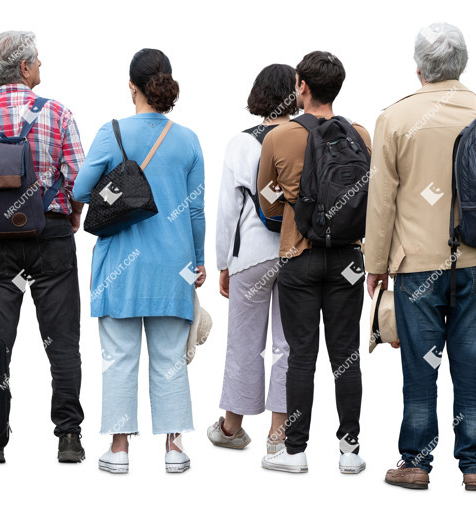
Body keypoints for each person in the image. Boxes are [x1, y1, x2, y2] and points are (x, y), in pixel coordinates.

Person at [365, 23, 476, 491]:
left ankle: (415, 462)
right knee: (475, 364)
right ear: (462, 63)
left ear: (419, 68)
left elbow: (381, 200)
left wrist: (376, 264)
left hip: (417, 267)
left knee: (421, 364)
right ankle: (474, 465)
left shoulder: (394, 119)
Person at [0, 31, 87, 463]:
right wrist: (71, 217)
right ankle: (68, 435)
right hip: (50, 239)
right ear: (25, 68)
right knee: (62, 342)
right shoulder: (58, 114)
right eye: (38, 62)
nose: (41, 67)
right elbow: (79, 179)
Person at [73, 48, 205, 474]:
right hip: (173, 265)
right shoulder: (187, 139)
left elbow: (79, 191)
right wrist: (199, 261)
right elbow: (196, 210)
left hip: (119, 266)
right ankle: (173, 448)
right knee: (170, 359)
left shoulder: (110, 134)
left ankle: (118, 450)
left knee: (119, 358)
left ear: (132, 86)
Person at [257, 51, 370, 474]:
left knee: (301, 355)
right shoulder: (360, 135)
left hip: (298, 255)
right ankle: (350, 450)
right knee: (346, 354)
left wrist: (291, 211)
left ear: (301, 85)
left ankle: (295, 451)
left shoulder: (279, 137)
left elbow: (264, 197)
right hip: (349, 258)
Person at [208, 64, 296, 454]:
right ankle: (278, 435)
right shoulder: (303, 138)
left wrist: (222, 263)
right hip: (296, 252)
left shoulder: (240, 143)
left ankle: (231, 428)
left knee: (243, 343)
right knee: (288, 345)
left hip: (250, 257)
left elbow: (227, 211)